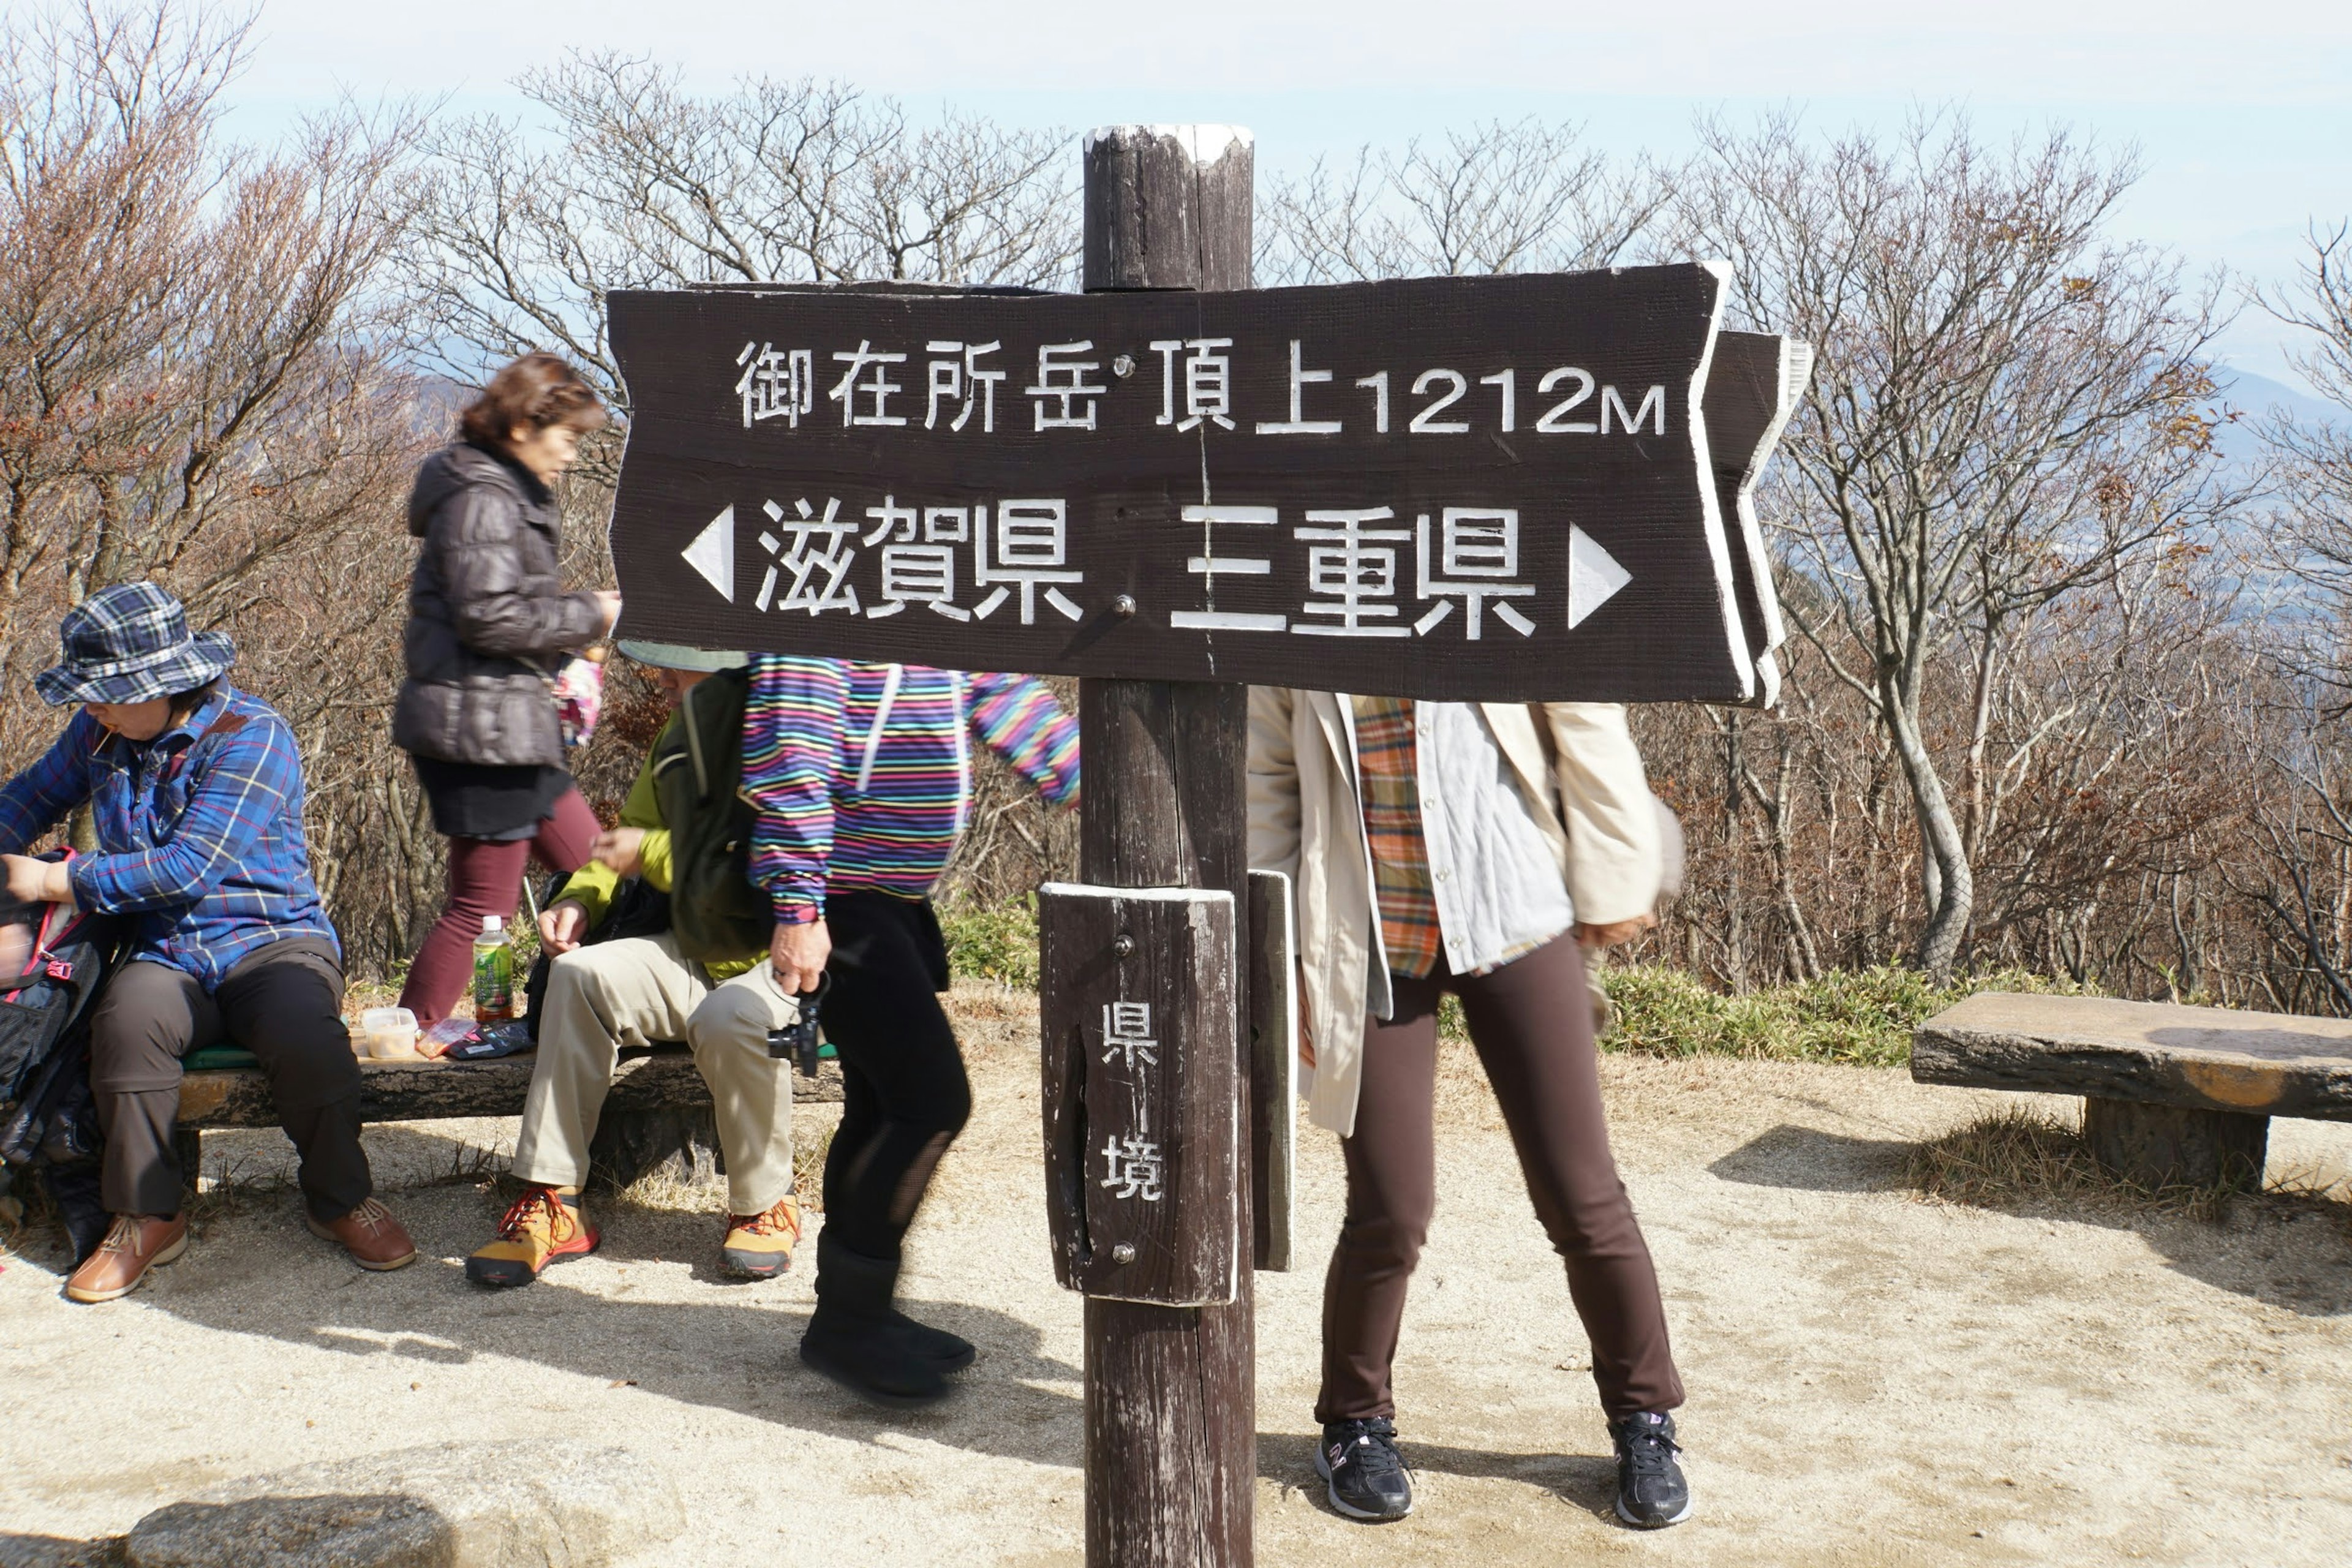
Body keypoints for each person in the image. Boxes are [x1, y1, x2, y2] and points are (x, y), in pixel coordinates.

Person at [1247, 691, 1690, 1529]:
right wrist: (1283, 954)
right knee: (1390, 1204)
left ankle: (1646, 1421)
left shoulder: (1489, 569)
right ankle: (1355, 1423)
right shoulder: (1307, 598)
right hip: (1370, 935)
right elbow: (1268, 784)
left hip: (1515, 908)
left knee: (1581, 1193)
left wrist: (1614, 876)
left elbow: (1585, 721)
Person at [0, 582, 414, 1302]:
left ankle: (340, 1198)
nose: (90, 706)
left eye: (106, 692)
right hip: (167, 950)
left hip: (272, 940)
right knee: (125, 1028)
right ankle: (148, 1215)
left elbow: (189, 864)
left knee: (306, 1037)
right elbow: (30, 798)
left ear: (165, 683)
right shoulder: (100, 732)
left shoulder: (253, 735)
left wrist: (52, 882)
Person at [747, 658, 1078, 1408]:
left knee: (878, 1103)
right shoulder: (822, 604)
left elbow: (997, 682)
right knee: (930, 1103)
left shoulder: (920, 592)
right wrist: (799, 906)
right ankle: (850, 1324)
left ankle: (854, 1312)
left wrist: (1081, 770)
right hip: (839, 895)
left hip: (890, 899)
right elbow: (793, 751)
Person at [464, 642, 804, 1288]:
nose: (667, 694)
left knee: (733, 1016)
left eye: (680, 679)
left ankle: (765, 1201)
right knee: (579, 977)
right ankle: (555, 1198)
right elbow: (633, 832)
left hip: (787, 956)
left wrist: (648, 852)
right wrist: (583, 899)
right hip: (695, 946)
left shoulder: (793, 735)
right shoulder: (681, 735)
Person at [393, 352, 622, 1028]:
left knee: (602, 872)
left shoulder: (495, 488)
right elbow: (489, 617)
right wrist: (592, 615)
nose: (573, 455)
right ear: (525, 425)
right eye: (569, 437)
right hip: (481, 738)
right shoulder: (483, 497)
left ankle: (597, 1015)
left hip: (510, 733)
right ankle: (405, 1050)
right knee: (479, 910)